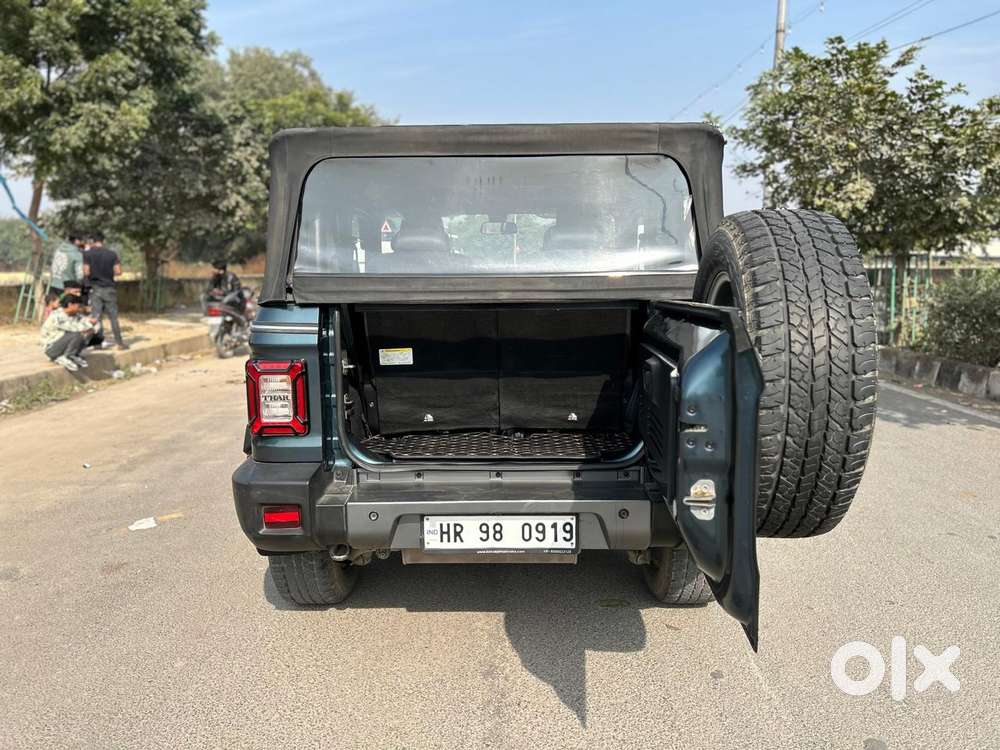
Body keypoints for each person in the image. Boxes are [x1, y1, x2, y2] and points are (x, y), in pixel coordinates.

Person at [82, 231, 128, 350]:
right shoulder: (112, 254)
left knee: (97, 317)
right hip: (109, 288)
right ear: (103, 241)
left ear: (92, 241)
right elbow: (118, 271)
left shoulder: (87, 254)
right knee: (113, 317)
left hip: (96, 289)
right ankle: (120, 343)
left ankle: (97, 343)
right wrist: (107, 273)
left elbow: (86, 271)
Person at [40, 294, 95, 372]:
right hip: (51, 347)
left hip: (61, 343)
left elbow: (85, 321)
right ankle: (67, 356)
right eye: (78, 306)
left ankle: (72, 355)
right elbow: (73, 328)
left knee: (89, 332)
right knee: (77, 334)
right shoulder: (58, 315)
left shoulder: (75, 314)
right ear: (70, 305)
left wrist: (91, 323)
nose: (79, 309)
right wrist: (88, 325)